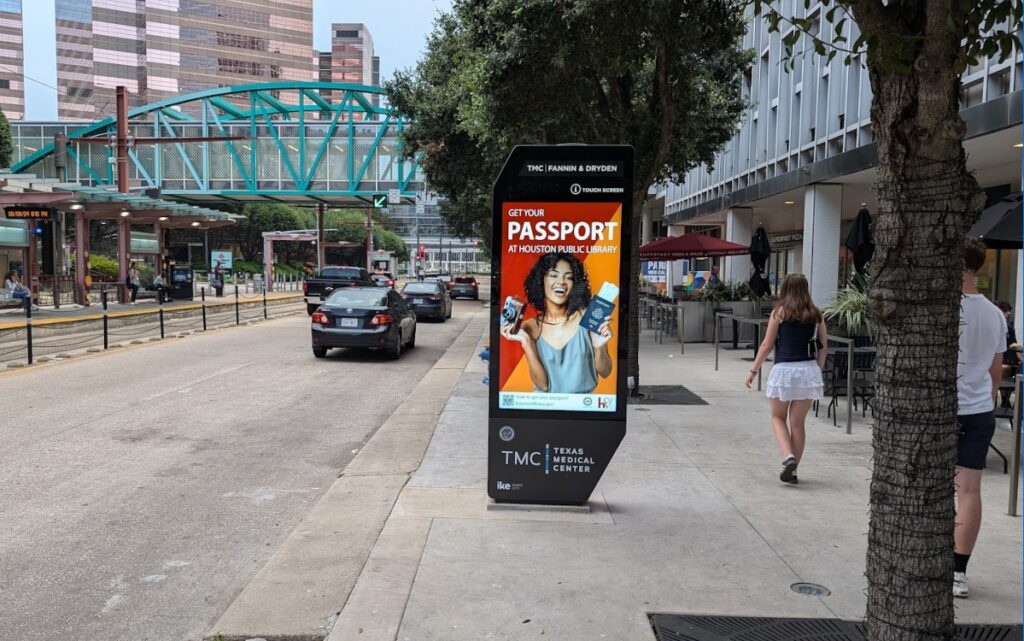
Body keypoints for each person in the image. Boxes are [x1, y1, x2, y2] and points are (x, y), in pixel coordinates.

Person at [952, 240, 1007, 599]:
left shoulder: (943, 310)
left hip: (940, 411)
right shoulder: (996, 314)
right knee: (970, 490)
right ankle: (959, 573)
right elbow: (995, 370)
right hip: (979, 411)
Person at [745, 273, 827, 485]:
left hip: (784, 370)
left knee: (777, 418)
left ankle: (788, 457)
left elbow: (767, 345)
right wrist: (818, 371)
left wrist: (753, 371)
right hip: (808, 370)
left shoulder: (779, 312)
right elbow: (823, 347)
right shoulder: (816, 315)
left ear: (785, 290)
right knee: (798, 424)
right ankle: (794, 470)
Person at [500, 252, 613, 394]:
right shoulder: (530, 327)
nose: (561, 282)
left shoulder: (588, 317)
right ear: (542, 280)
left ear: (575, 284)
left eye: (569, 277)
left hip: (582, 407)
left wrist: (599, 348)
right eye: (554, 275)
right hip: (544, 407)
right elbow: (543, 386)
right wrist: (527, 342)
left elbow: (605, 372)